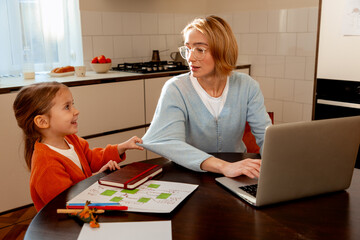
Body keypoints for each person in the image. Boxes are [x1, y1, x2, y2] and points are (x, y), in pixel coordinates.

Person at [140, 15, 272, 178]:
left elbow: (267, 136)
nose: (190, 58)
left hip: (237, 172)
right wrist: (223, 167)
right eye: (187, 49)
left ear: (222, 51)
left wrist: (276, 170)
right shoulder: (176, 89)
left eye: (200, 50)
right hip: (190, 174)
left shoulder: (247, 86)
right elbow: (164, 140)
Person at [13, 82, 144, 211]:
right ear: (42, 121)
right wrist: (97, 177)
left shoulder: (70, 139)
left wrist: (122, 147)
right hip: (64, 226)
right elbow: (68, 202)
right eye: (67, 107)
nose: (76, 111)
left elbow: (92, 158)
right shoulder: (46, 165)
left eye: (72, 104)